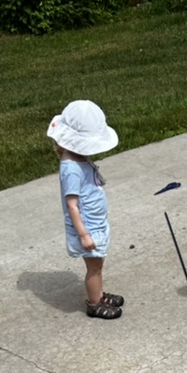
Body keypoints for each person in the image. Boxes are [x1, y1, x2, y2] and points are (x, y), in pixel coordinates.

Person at [48, 100, 123, 319]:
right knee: (94, 267)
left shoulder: (78, 159)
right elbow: (72, 205)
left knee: (98, 265)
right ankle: (94, 303)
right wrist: (83, 235)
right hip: (87, 228)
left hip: (94, 224)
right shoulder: (71, 169)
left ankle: (98, 293)